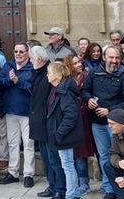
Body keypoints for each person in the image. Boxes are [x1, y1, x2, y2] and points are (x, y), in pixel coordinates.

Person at [81, 45, 124, 199]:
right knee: (104, 156)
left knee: (118, 156)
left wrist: (109, 110)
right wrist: (88, 99)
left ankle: (121, 187)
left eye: (117, 58)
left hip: (116, 125)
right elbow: (84, 90)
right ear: (104, 58)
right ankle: (109, 188)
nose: (114, 61)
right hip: (97, 123)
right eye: (111, 57)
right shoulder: (94, 72)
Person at [0, 42, 35, 186]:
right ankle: (13, 172)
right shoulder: (8, 66)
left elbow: (33, 88)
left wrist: (18, 81)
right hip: (11, 111)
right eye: (16, 51)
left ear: (27, 53)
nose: (18, 54)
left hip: (27, 112)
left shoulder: (32, 68)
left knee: (28, 143)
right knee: (13, 143)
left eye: (21, 52)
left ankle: (28, 175)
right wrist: (10, 81)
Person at [46, 62, 84, 199]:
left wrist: (59, 134)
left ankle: (71, 194)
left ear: (56, 75)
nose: (47, 75)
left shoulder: (65, 92)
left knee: (68, 165)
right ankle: (71, 193)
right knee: (66, 165)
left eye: (49, 73)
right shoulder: (56, 89)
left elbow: (70, 116)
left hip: (65, 136)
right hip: (60, 135)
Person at [30, 44, 63, 198]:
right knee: (46, 158)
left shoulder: (48, 74)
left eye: (32, 57)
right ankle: (52, 186)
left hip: (48, 124)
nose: (30, 60)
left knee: (53, 159)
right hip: (40, 124)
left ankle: (58, 187)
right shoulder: (37, 72)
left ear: (40, 59)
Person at [66, 54, 94, 195]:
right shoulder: (66, 80)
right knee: (78, 152)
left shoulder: (87, 76)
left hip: (88, 117)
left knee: (97, 151)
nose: (78, 65)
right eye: (75, 63)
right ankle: (83, 183)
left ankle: (107, 183)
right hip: (74, 119)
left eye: (79, 62)